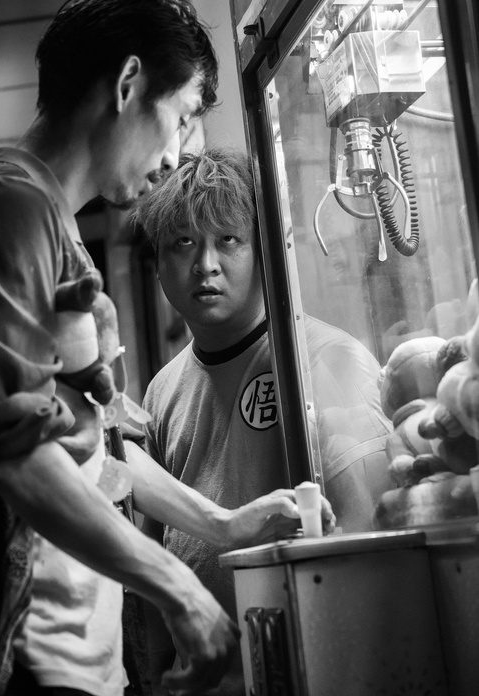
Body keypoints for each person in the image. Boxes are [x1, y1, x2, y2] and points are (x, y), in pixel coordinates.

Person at [0, 0, 318, 696]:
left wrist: (223, 524)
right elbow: (15, 454)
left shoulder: (53, 227)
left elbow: (92, 447)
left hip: (88, 665)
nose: (175, 154)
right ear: (128, 84)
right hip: (27, 664)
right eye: (179, 118)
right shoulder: (8, 210)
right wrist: (179, 589)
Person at [133, 147, 395, 695]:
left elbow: (372, 546)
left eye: (228, 240)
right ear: (158, 263)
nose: (205, 264)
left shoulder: (325, 359)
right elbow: (150, 565)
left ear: (266, 251)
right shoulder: (161, 391)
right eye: (183, 243)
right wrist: (156, 677)